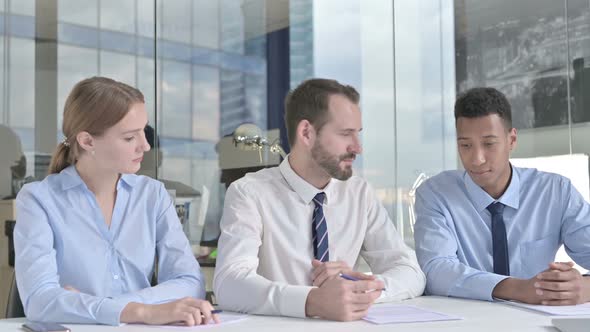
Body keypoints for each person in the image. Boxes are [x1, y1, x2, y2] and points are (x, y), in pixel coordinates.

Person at [213, 78, 425, 321]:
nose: (358, 148)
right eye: (346, 134)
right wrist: (312, 301)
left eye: (358, 134)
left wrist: (359, 289)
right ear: (306, 133)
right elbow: (230, 283)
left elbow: (410, 271)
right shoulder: (249, 193)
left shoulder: (359, 192)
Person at [14, 76, 218, 326]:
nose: (144, 145)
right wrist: (142, 312)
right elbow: (39, 301)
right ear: (87, 141)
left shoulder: (152, 195)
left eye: (144, 131)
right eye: (130, 138)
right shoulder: (38, 200)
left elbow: (190, 281)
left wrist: (105, 305)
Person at [414, 87, 590, 305]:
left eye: (489, 144)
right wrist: (519, 288)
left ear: (512, 140)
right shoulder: (435, 194)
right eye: (465, 145)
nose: (476, 159)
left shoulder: (555, 192)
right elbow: (436, 270)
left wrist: (583, 288)